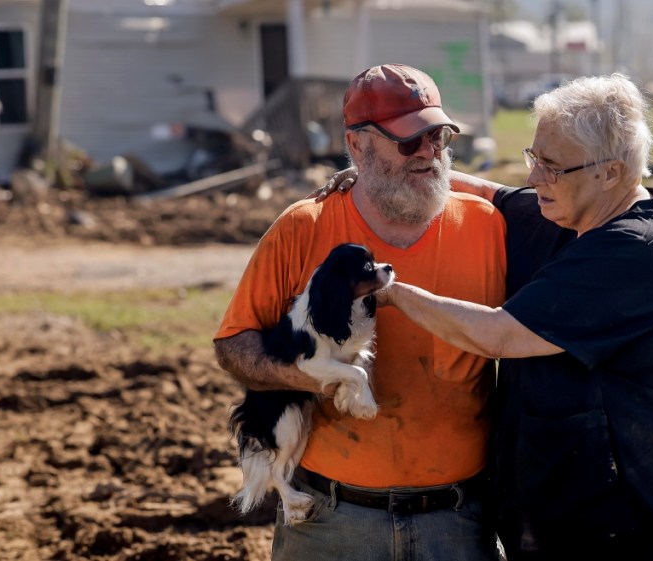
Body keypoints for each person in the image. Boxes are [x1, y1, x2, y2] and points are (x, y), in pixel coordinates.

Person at [327, 73, 653, 560]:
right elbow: (494, 195)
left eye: (551, 167)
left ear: (612, 172)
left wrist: (389, 290)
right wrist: (382, 174)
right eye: (536, 158)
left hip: (630, 524)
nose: (535, 178)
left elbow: (499, 335)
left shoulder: (638, 254)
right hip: (569, 512)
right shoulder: (571, 211)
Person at [213, 63, 506, 561]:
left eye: (439, 136)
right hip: (330, 522)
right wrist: (316, 375)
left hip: (459, 524)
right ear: (358, 147)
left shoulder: (490, 227)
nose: (431, 152)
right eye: (410, 141)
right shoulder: (304, 227)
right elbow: (233, 345)